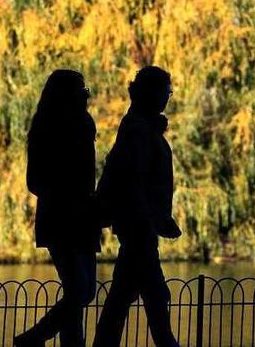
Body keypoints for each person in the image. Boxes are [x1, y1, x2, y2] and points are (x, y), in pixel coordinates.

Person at [93, 66, 182, 347]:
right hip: (139, 226)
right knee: (154, 296)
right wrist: (154, 218)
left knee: (124, 296)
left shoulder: (138, 127)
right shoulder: (139, 131)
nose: (168, 98)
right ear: (151, 94)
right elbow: (136, 181)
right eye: (165, 92)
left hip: (139, 225)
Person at [15, 70, 100, 347]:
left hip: (82, 217)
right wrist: (69, 195)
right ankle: (34, 337)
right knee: (80, 289)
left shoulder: (83, 124)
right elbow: (35, 180)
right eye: (79, 88)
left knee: (80, 290)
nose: (84, 92)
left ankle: (68, 343)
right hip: (63, 217)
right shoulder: (47, 127)